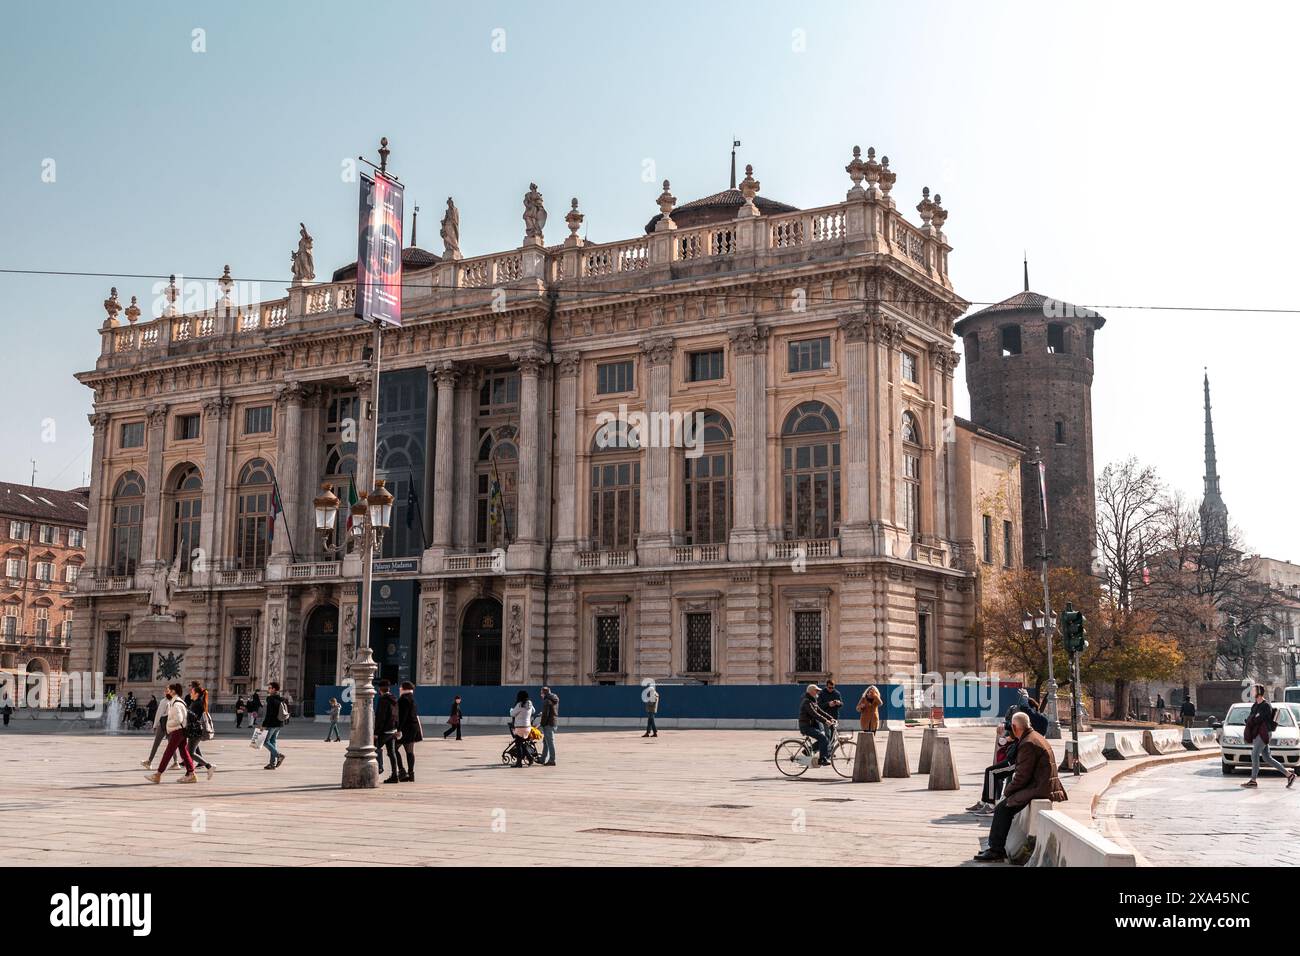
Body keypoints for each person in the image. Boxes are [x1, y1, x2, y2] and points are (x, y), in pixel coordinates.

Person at [973, 711, 1067, 861]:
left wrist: (1007, 792)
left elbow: (1022, 776)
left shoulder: (1028, 743)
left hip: (1039, 787)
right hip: (1041, 784)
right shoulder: (1034, 736)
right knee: (1004, 807)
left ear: (1016, 727)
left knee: (1002, 808)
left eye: (1012, 727)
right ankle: (995, 848)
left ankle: (996, 850)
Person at [1242, 685, 1297, 789]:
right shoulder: (1254, 705)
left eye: (1253, 690)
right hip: (1257, 733)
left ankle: (1253, 780)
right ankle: (1289, 775)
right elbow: (1252, 718)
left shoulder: (1266, 705)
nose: (1252, 692)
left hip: (1264, 734)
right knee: (1267, 758)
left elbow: (1258, 719)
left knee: (1254, 755)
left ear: (1258, 692)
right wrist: (1252, 719)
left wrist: (1252, 719)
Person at [144, 683, 197, 783]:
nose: (167, 691)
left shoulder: (176, 704)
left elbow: (179, 719)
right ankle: (191, 773)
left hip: (178, 731)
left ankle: (158, 774)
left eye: (169, 690)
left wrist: (169, 723)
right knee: (184, 752)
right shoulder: (178, 701)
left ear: (173, 691)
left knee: (168, 752)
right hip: (181, 731)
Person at [967, 727, 1021, 814]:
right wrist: (1009, 737)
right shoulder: (1017, 733)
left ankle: (991, 805)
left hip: (1014, 763)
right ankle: (984, 802)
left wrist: (1011, 738)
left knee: (991, 772)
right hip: (1011, 759)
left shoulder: (1023, 734)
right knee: (989, 771)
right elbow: (1002, 742)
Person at [798, 684, 835, 767]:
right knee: (823, 738)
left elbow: (820, 711)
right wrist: (826, 721)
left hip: (811, 726)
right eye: (816, 691)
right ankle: (823, 759)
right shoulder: (807, 701)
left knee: (824, 739)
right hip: (806, 726)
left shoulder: (812, 701)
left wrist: (831, 718)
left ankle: (808, 750)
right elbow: (814, 714)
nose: (818, 692)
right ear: (811, 692)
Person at [185, 680, 215, 780]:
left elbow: (193, 718)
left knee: (190, 753)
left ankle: (208, 766)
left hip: (195, 731)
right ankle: (191, 773)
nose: (190, 693)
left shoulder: (197, 704)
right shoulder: (196, 703)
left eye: (192, 692)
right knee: (190, 752)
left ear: (196, 694)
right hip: (194, 731)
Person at [395, 681, 423, 782]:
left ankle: (402, 771)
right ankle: (411, 774)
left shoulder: (403, 699)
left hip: (405, 729)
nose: (399, 689)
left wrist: (398, 729)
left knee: (393, 749)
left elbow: (403, 716)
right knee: (410, 751)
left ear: (404, 688)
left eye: (401, 687)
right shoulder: (412, 699)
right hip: (413, 728)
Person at [376, 680, 401, 783]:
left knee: (374, 747)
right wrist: (398, 729)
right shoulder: (394, 699)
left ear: (380, 689)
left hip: (385, 731)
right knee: (392, 752)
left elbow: (380, 717)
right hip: (393, 730)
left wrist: (376, 732)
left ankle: (379, 767)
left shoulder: (383, 700)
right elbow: (397, 715)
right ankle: (395, 775)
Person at [140, 689, 170, 769]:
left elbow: (159, 714)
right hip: (170, 724)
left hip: (163, 723)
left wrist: (155, 725)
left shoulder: (164, 701)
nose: (165, 692)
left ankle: (149, 762)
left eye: (166, 691)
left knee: (156, 744)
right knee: (171, 745)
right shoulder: (174, 700)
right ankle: (176, 762)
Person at [261, 681, 286, 769]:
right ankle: (272, 764)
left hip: (271, 724)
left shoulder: (270, 699)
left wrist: (264, 725)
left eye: (269, 688)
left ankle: (278, 755)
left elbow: (269, 714)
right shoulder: (280, 699)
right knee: (272, 742)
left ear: (274, 689)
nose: (268, 689)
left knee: (265, 741)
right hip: (279, 724)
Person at [508, 690, 535, 768]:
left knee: (518, 744)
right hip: (528, 727)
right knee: (521, 743)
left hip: (519, 727)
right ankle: (530, 758)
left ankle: (519, 763)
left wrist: (511, 710)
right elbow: (533, 711)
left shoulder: (519, 704)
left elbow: (512, 714)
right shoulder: (530, 703)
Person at [538, 687, 559, 765]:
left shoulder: (547, 701)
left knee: (550, 742)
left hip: (548, 724)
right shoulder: (554, 699)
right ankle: (543, 758)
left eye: (541, 693)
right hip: (553, 722)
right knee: (546, 742)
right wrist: (542, 713)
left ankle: (552, 760)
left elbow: (546, 715)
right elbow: (551, 711)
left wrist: (541, 724)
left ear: (544, 693)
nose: (541, 695)